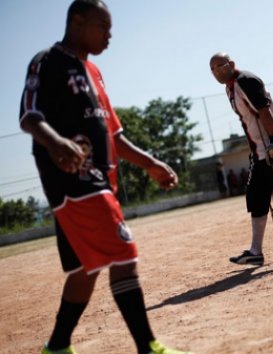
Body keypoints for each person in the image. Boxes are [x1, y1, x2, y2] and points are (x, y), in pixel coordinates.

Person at [18, 1, 192, 353]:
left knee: (85, 267)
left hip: (100, 180)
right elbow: (28, 116)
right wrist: (56, 142)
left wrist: (151, 163)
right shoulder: (46, 61)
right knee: (123, 254)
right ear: (78, 21)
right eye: (104, 27)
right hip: (72, 178)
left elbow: (114, 136)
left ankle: (56, 348)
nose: (110, 36)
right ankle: (149, 348)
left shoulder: (94, 72)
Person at [210, 52, 273, 266]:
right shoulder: (231, 87)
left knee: (263, 194)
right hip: (259, 151)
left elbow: (264, 111)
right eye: (214, 69)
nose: (218, 71)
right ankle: (255, 251)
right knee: (256, 196)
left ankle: (256, 251)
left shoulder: (245, 81)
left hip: (270, 148)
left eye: (221, 65)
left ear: (232, 64)